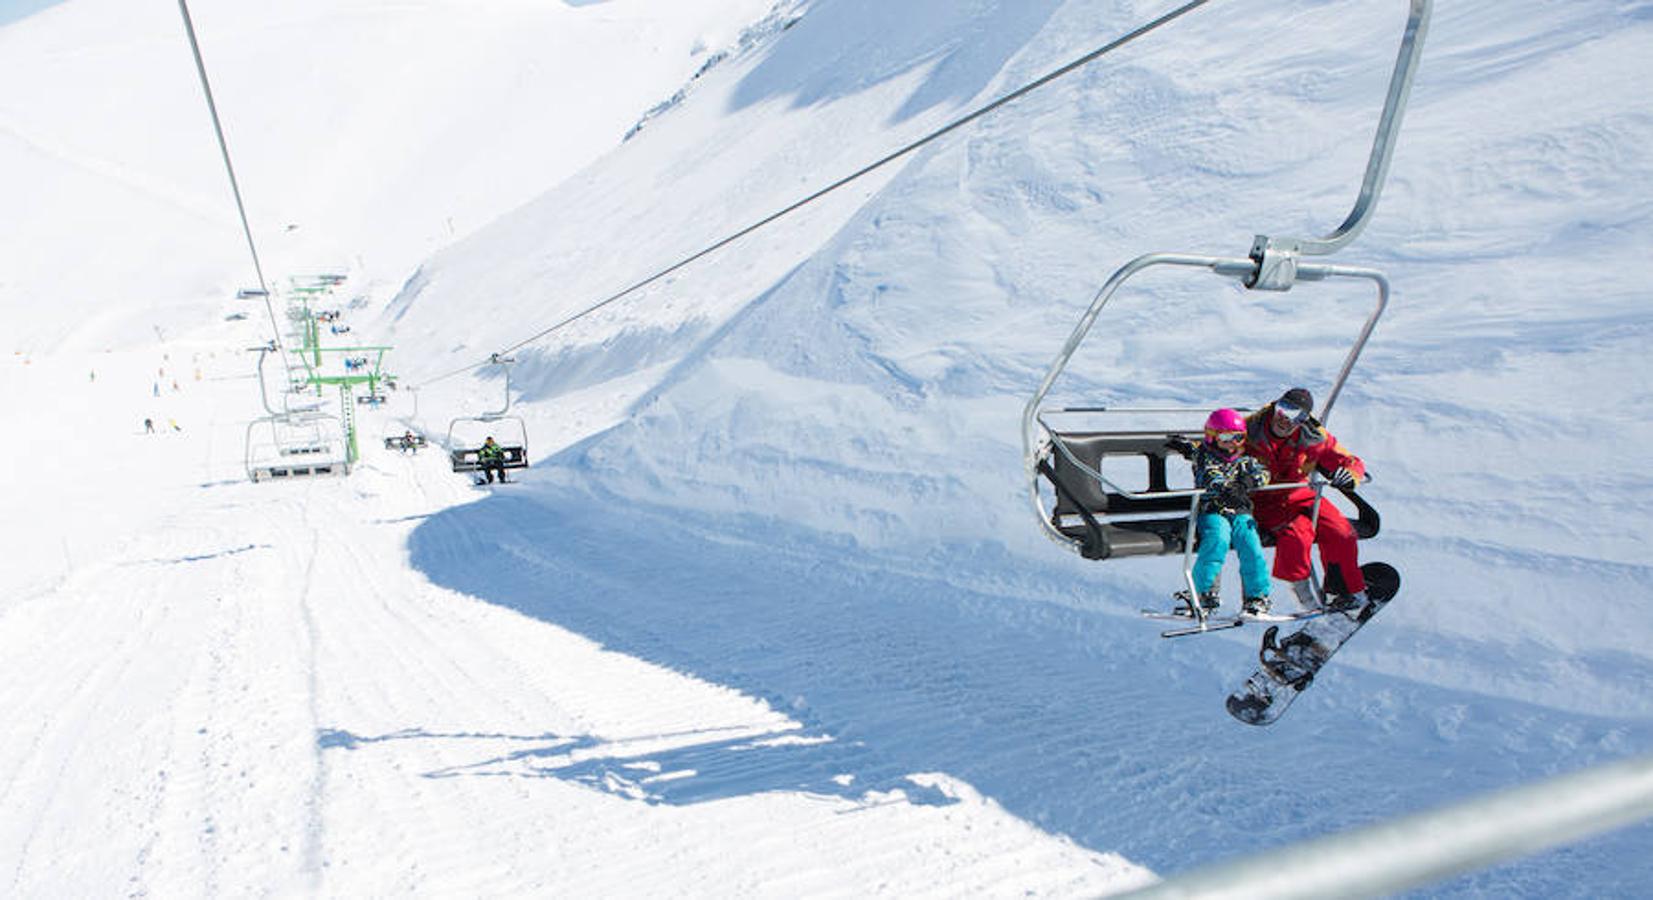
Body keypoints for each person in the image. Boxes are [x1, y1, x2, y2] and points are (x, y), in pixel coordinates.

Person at [1244, 387, 1368, 610]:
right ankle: (1307, 601)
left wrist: (1350, 476)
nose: (1285, 420)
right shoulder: (1250, 431)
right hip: (1264, 501)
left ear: (1304, 419)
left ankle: (1342, 592)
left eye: (1296, 416)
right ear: (1275, 407)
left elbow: (1349, 460)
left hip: (1300, 495)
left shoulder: (1313, 437)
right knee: (1298, 535)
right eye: (1283, 410)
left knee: (1341, 531)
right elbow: (1218, 449)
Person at [1179, 409, 1273, 616]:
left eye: (1238, 437)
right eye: (1226, 437)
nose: (1232, 443)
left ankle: (1257, 597)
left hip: (1239, 512)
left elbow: (1263, 473)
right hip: (1211, 510)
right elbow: (1210, 475)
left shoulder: (1243, 460)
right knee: (1218, 540)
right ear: (1212, 437)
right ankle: (1202, 592)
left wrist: (1248, 482)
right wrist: (1226, 489)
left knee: (1250, 544)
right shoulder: (1205, 456)